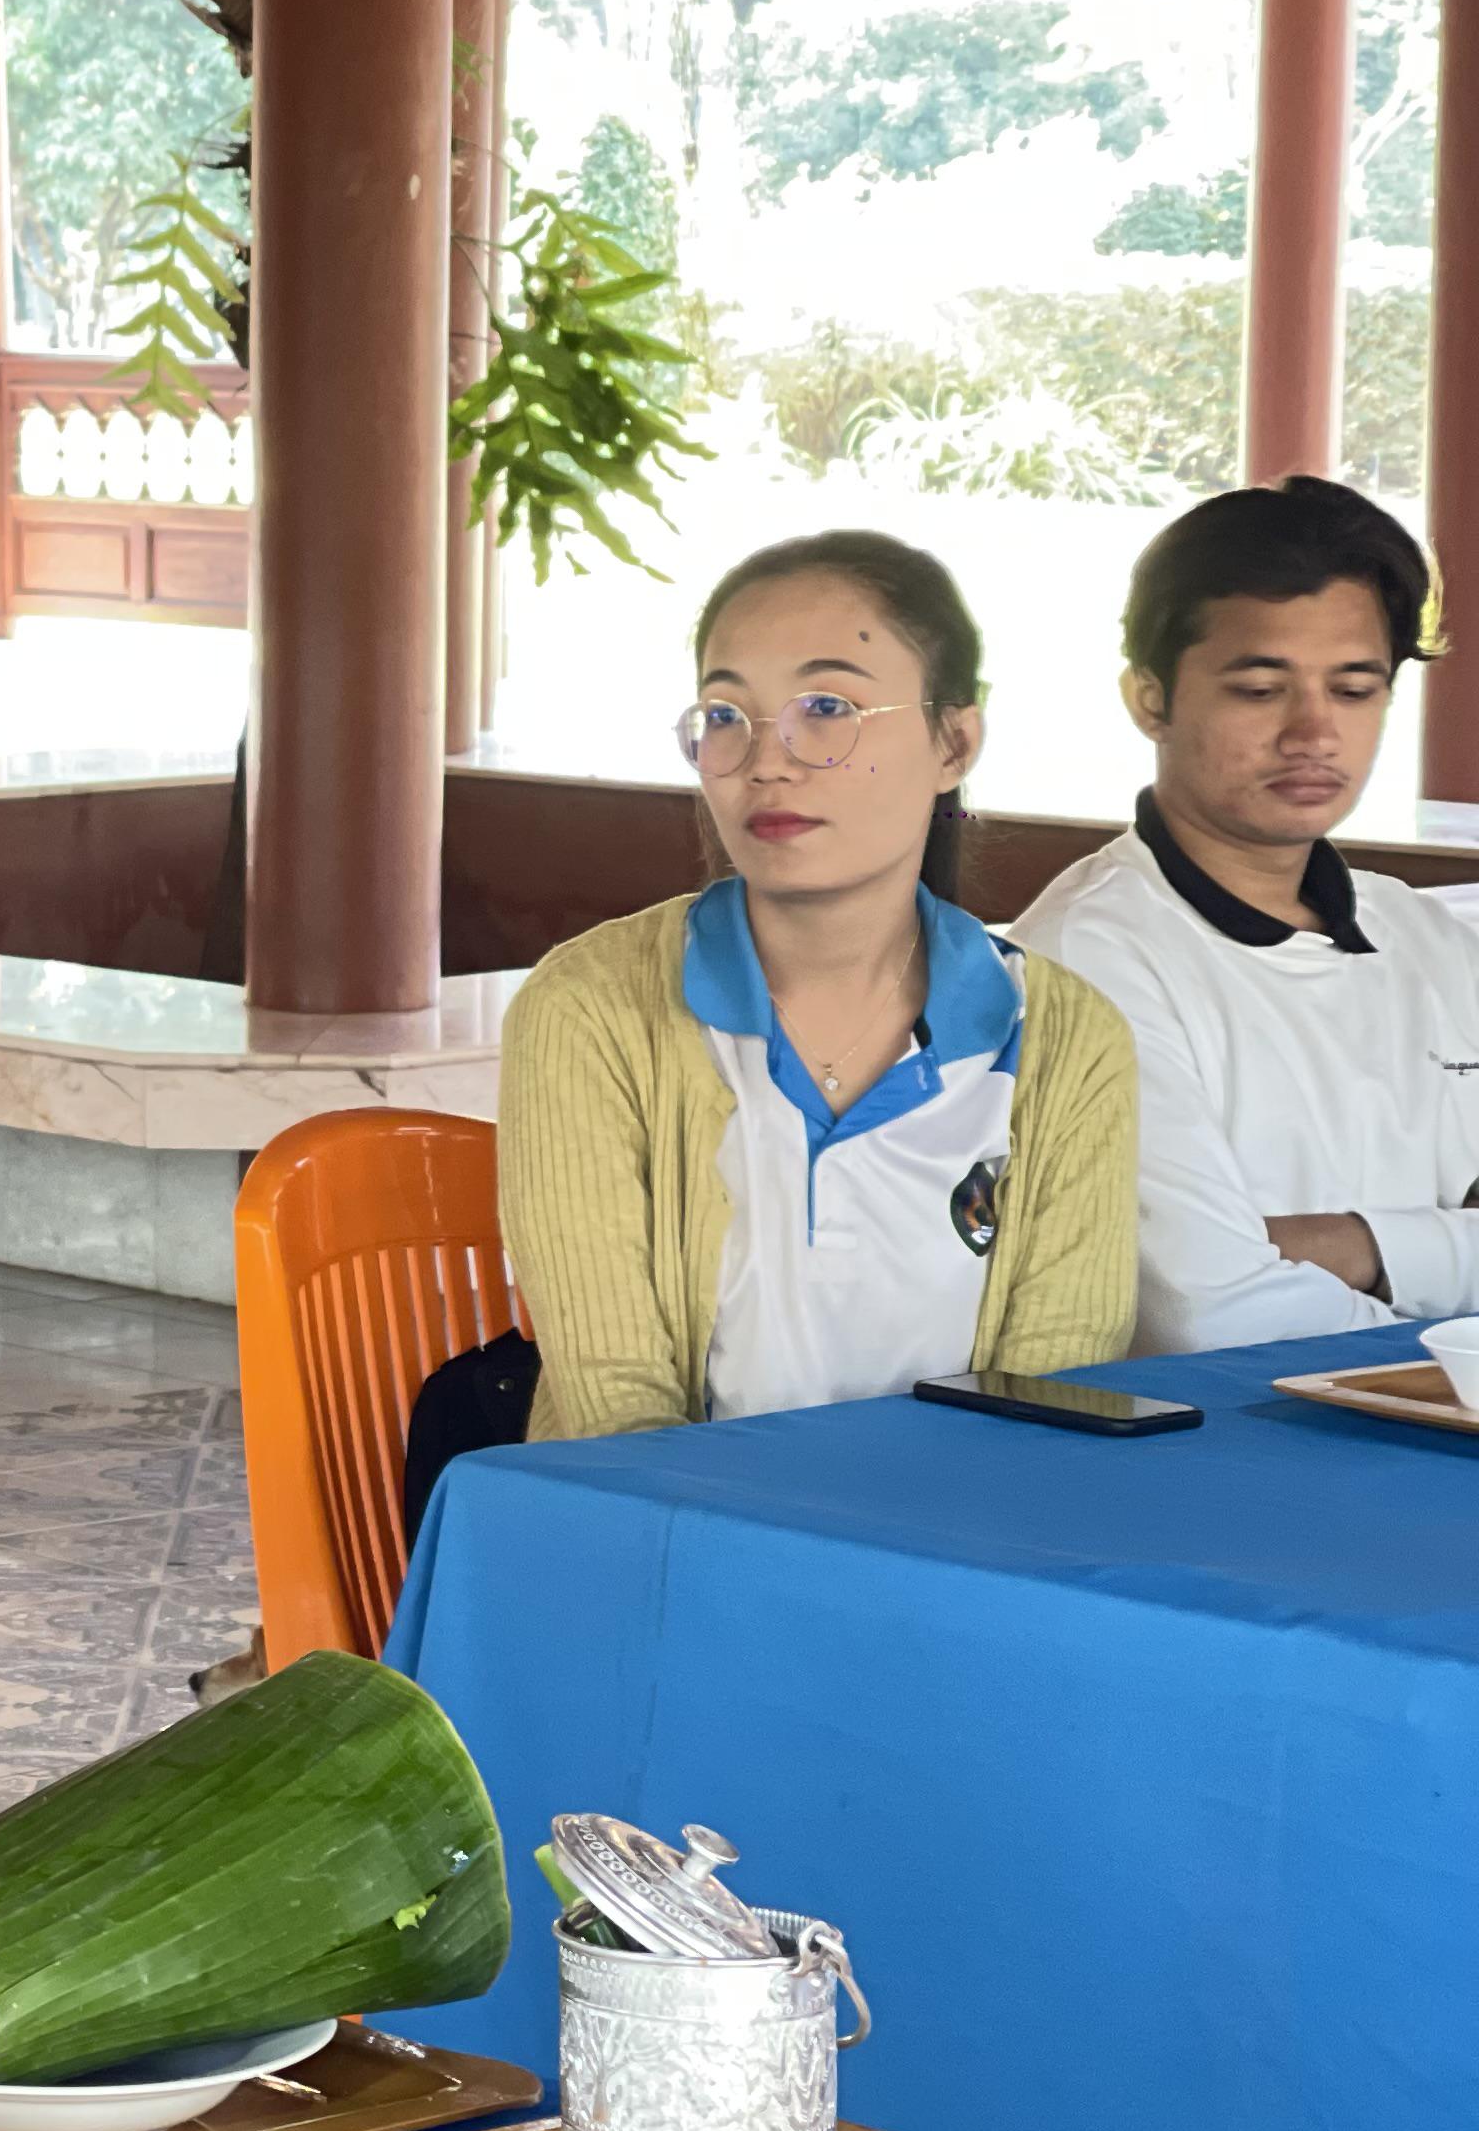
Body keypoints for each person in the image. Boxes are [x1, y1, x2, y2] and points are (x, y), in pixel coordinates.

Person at [498, 530, 1136, 1440]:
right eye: (725, 716)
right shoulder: (592, 1010)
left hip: (956, 1556)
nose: (766, 759)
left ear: (954, 741)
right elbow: (617, 1410)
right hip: (662, 1544)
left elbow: (1045, 1405)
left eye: (827, 706)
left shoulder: (1065, 1042)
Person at [1008, 476, 1479, 1352]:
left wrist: (1356, 1244)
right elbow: (1210, 1311)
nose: (1312, 733)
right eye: (1261, 690)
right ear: (1150, 699)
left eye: (1353, 689)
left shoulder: (1429, 938)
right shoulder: (1084, 959)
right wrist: (1454, 1301)